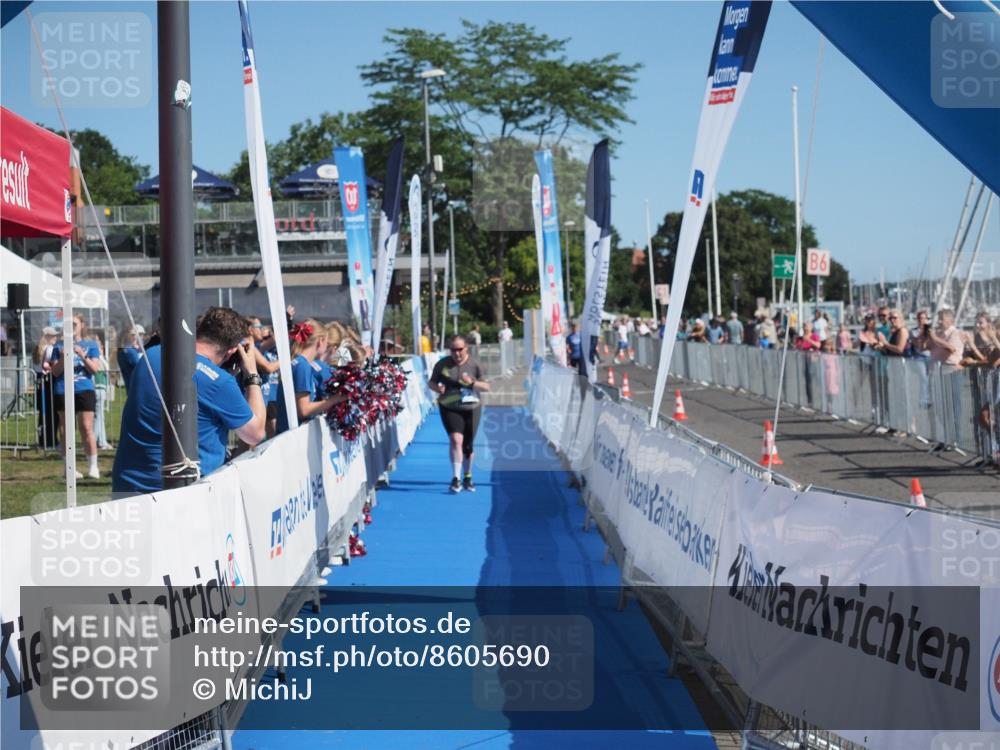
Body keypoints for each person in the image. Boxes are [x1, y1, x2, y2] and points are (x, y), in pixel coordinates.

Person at [113, 307, 267, 494]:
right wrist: (252, 374)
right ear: (232, 350)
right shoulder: (219, 382)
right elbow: (255, 433)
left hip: (129, 485)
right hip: (181, 492)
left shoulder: (152, 355)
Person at [430, 335, 491, 493]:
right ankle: (456, 478)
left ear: (466, 348)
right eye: (453, 350)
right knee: (456, 440)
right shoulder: (442, 364)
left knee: (468, 445)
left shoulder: (475, 364)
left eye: (460, 349)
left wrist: (472, 383)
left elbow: (486, 387)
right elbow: (431, 382)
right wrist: (438, 388)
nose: (456, 353)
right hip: (449, 406)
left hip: (472, 407)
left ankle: (468, 477)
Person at [49, 314, 101, 479]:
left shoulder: (90, 344)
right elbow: (55, 372)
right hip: (63, 389)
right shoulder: (58, 345)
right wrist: (63, 357)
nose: (71, 327)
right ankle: (69, 468)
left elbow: (95, 369)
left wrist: (82, 355)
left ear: (81, 325)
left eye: (74, 324)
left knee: (86, 427)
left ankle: (93, 466)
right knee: (66, 429)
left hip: (84, 389)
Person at [275, 319, 345, 434]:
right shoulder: (302, 366)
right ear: (320, 341)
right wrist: (335, 399)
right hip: (291, 437)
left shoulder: (299, 363)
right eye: (326, 342)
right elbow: (303, 410)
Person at [92, 334, 113, 450]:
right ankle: (95, 440)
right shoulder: (97, 358)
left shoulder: (100, 357)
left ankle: (101, 440)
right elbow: (104, 369)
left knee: (100, 415)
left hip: (102, 388)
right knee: (98, 415)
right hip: (98, 387)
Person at [117, 324, 145, 392]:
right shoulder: (130, 352)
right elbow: (142, 368)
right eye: (133, 335)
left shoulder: (122, 350)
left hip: (130, 387)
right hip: (137, 388)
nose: (136, 337)